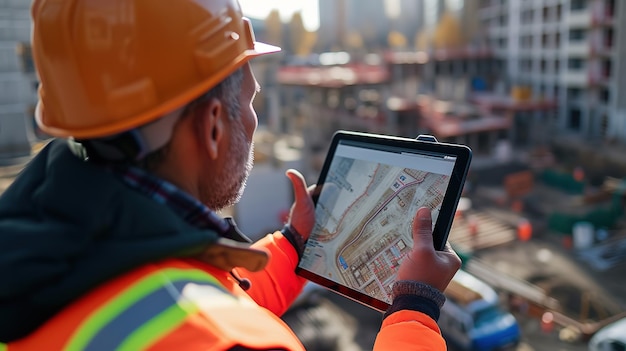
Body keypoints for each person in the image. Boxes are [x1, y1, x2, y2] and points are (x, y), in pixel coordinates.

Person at [0, 0, 462, 350]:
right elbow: (208, 322)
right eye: (252, 100)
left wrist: (294, 243)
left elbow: (199, 298)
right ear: (214, 125)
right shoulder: (229, 342)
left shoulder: (49, 247)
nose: (255, 119)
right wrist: (415, 307)